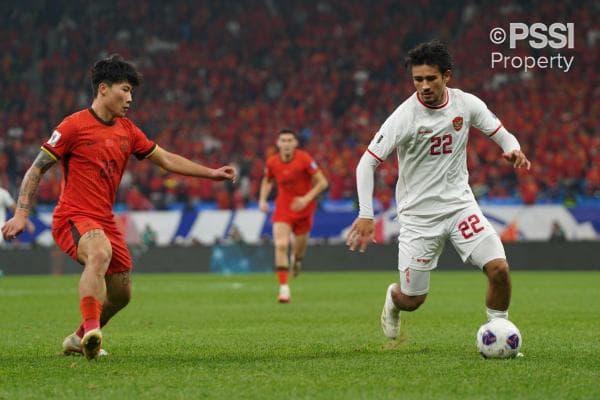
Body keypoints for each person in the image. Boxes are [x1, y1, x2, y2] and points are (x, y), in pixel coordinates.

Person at [1, 54, 237, 359]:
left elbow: (165, 159)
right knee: (99, 253)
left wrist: (211, 172)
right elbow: (37, 169)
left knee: (122, 294)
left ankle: (78, 338)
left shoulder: (128, 130)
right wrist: (21, 214)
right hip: (73, 216)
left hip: (105, 221)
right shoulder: (73, 126)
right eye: (124, 90)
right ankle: (94, 333)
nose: (129, 98)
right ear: (103, 88)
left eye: (131, 93)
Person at [346, 40, 531, 340]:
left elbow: (500, 132)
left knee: (499, 270)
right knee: (413, 300)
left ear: (447, 76)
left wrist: (513, 149)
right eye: (418, 80)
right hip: (419, 217)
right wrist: (366, 214)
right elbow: (365, 164)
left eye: (430, 78)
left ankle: (499, 332)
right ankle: (393, 299)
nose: (424, 86)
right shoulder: (405, 116)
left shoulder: (466, 104)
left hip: (460, 207)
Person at [259, 129, 328, 303]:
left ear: (295, 143)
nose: (287, 143)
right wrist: (262, 199)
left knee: (298, 252)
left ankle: (296, 261)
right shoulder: (272, 162)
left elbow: (322, 182)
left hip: (304, 209)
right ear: (278, 143)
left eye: (290, 140)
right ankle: (284, 289)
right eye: (283, 140)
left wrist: (306, 199)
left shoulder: (304, 159)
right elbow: (267, 180)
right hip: (283, 207)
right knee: (281, 245)